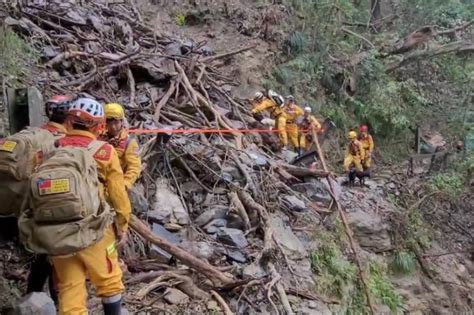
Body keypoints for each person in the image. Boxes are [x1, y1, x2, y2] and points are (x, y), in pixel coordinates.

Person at [51, 98, 131, 314]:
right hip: (94, 228)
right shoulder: (104, 151)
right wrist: (122, 224)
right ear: (98, 125)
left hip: (55, 231)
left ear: (69, 121)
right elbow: (118, 194)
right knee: (110, 282)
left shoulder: (52, 147)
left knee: (70, 288)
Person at [26, 95, 75, 302]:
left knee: (43, 257)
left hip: (33, 202)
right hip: (58, 204)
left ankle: (31, 299)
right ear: (69, 118)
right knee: (58, 261)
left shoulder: (34, 133)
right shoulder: (66, 142)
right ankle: (57, 303)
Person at [102, 103, 141, 190]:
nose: (113, 127)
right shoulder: (99, 138)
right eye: (109, 123)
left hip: (115, 184)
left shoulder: (129, 142)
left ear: (122, 121)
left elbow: (134, 167)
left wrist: (125, 184)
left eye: (116, 123)